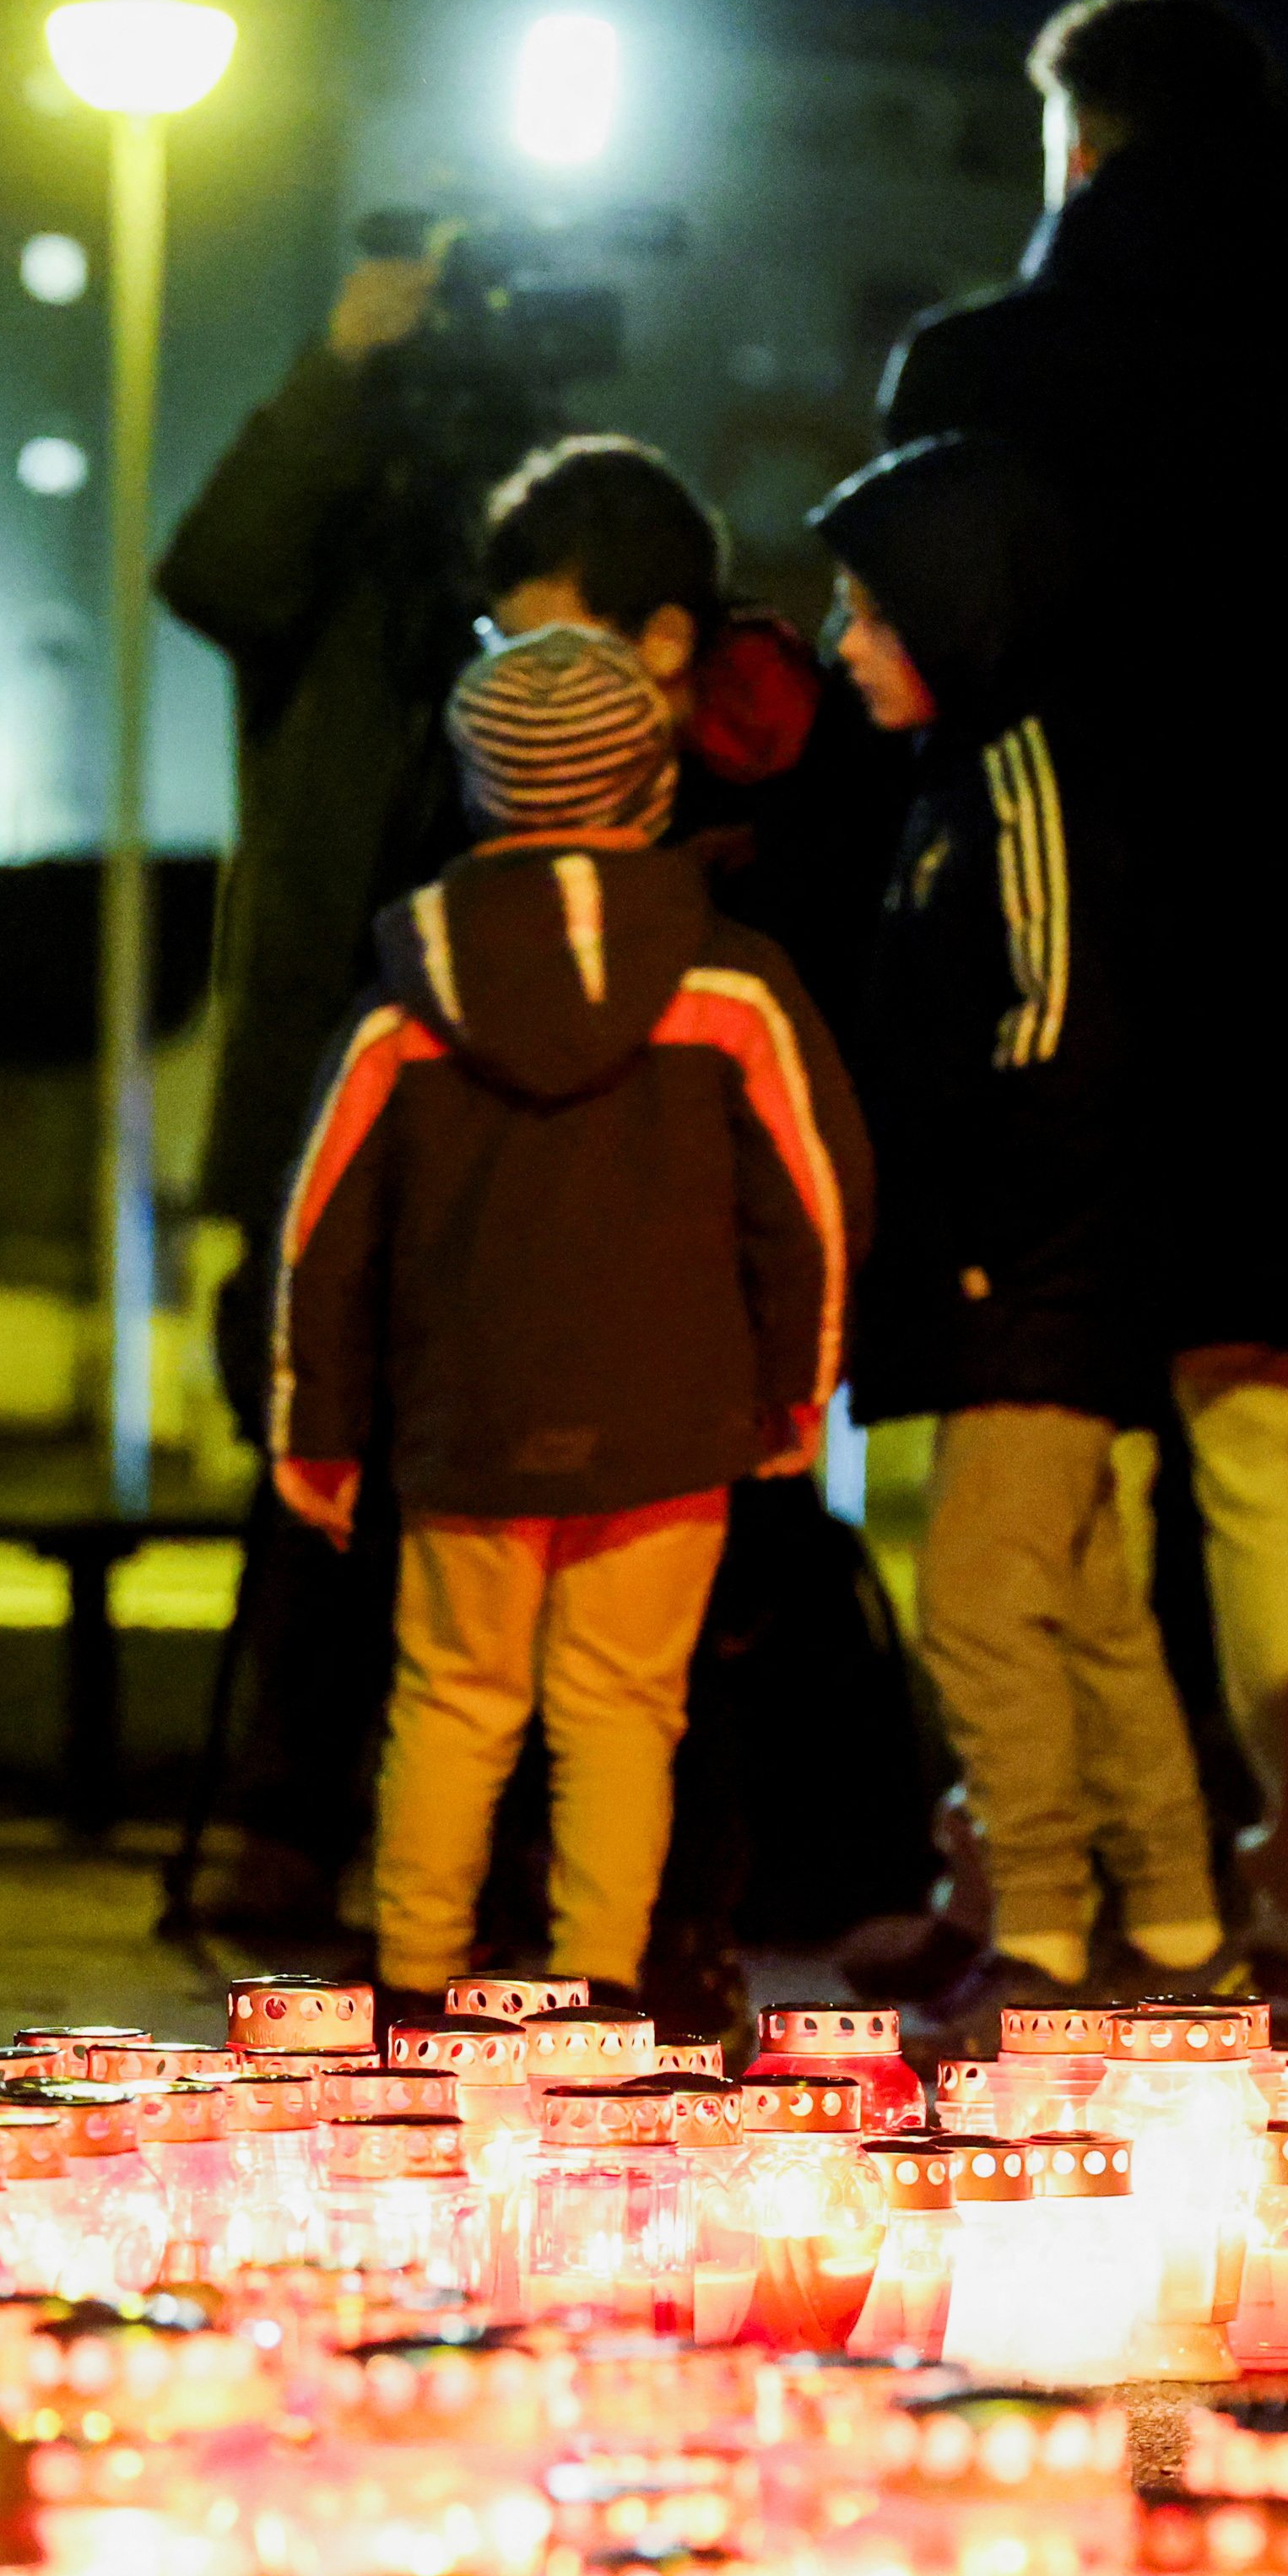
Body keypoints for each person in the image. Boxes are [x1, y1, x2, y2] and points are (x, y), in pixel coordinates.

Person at [884, 0, 1288, 1996]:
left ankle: (1029, 1888)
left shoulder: (983, 370)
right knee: (1287, 1459)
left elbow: (937, 703)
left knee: (1047, 1463)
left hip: (1061, 995)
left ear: (1076, 139)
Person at [264, 621, 859, 1993]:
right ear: (652, 788)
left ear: (481, 793)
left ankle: (417, 1984)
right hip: (673, 1421)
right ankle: (596, 1988)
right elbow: (814, 1203)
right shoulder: (730, 987)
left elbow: (324, 1235)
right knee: (623, 1712)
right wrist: (793, 1386)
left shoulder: (401, 1006)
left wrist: (319, 1425)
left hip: (465, 1423)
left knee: (455, 1702)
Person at [816, 431, 1225, 1995]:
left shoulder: (1028, 778)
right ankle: (1178, 1915)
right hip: (1027, 1269)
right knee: (1088, 1603)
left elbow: (1059, 1037)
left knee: (981, 1603)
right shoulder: (965, 780)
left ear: (961, 609)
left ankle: (1037, 1921)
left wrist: (983, 1235)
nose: (847, 643)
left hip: (1040, 1274)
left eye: (873, 611)